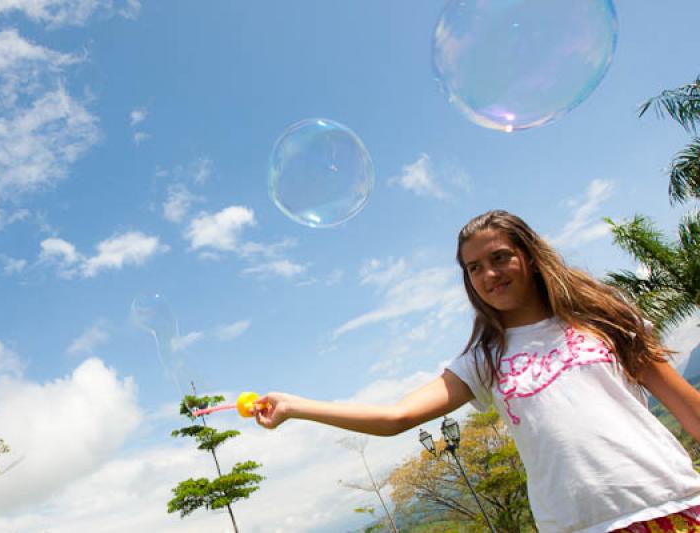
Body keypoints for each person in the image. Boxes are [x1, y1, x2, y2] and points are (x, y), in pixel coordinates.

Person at [253, 210, 700, 533]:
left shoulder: (604, 318)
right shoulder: (483, 359)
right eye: (474, 268)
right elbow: (398, 418)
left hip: (672, 504)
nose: (489, 273)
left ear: (528, 256)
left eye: (500, 257)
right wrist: (295, 406)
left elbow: (684, 403)